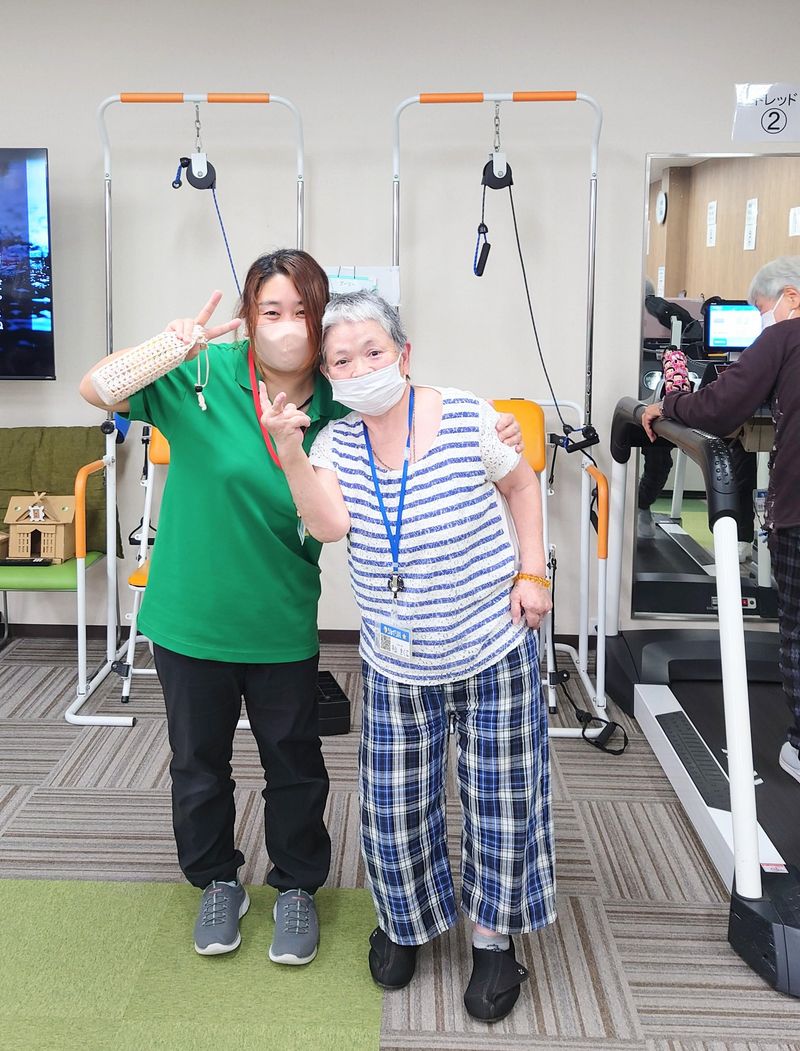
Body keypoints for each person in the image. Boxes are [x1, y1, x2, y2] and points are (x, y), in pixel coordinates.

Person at [78, 250, 524, 964]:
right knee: (198, 764)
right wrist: (168, 346)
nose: (287, 326)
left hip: (281, 616)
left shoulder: (342, 397)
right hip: (189, 615)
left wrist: (497, 432)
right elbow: (96, 388)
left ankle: (296, 886)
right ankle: (217, 880)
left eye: (301, 312)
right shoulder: (201, 373)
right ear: (249, 318)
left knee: (294, 763)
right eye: (270, 311)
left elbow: (415, 406)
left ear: (321, 322)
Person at [262, 289, 556, 1022]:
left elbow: (521, 483)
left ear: (404, 354)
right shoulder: (335, 443)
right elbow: (329, 526)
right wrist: (291, 453)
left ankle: (493, 938)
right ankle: (405, 923)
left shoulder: (468, 416)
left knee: (502, 800)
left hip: (490, 645)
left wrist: (533, 571)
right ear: (329, 375)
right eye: (342, 360)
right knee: (393, 809)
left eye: (374, 351)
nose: (360, 368)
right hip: (397, 664)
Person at [642, 256, 800, 786]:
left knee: (798, 629)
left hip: (798, 511)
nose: (763, 321)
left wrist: (671, 403)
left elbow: (720, 408)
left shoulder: (785, 336)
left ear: (792, 297)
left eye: (763, 310)